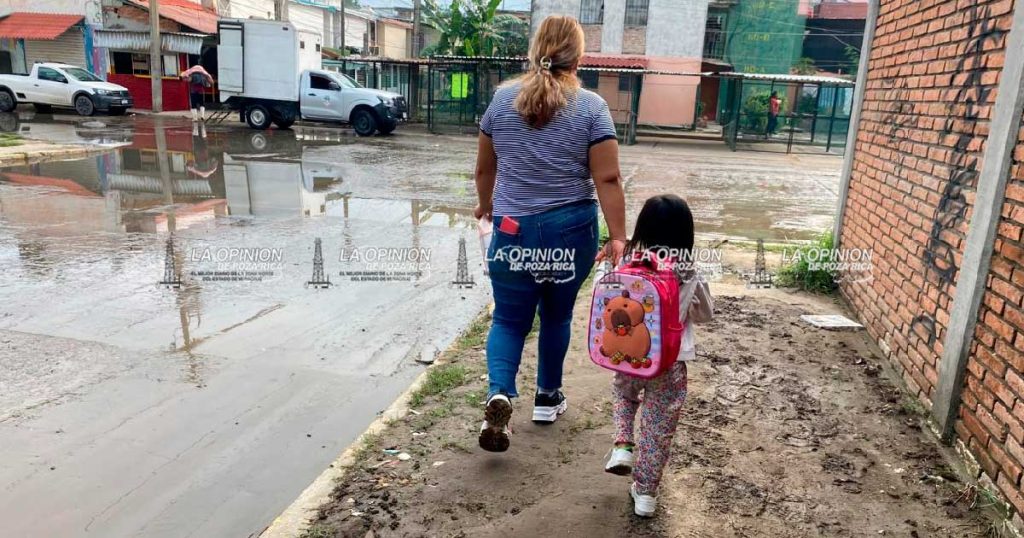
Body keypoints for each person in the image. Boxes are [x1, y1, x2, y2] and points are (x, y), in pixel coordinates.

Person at [473, 15, 627, 452]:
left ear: (534, 49)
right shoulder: (592, 107)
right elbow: (608, 179)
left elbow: (485, 168)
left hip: (511, 230)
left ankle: (499, 392)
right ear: (578, 56)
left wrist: (486, 205)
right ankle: (546, 397)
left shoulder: (501, 102)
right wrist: (618, 236)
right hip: (569, 230)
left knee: (508, 318)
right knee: (556, 316)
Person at [602, 194, 713, 517]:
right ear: (685, 235)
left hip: (627, 353)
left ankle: (622, 446)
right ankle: (646, 493)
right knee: (658, 425)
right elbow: (705, 314)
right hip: (671, 361)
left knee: (624, 393)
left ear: (643, 227)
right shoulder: (688, 271)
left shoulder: (628, 264)